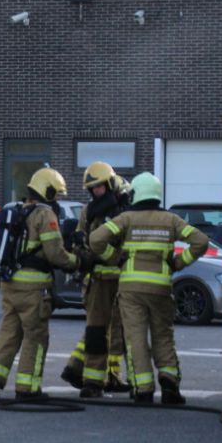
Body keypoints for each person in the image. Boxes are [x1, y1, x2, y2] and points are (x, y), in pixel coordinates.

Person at [89, 172, 209, 405]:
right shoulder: (171, 220)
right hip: (161, 288)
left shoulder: (125, 219)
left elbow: (95, 240)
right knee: (163, 336)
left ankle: (143, 389)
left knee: (136, 338)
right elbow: (201, 242)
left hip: (131, 290)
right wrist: (178, 262)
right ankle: (170, 385)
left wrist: (115, 258)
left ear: (136, 193)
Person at [0, 166, 78, 401]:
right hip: (34, 290)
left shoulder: (17, 210)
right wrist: (76, 261)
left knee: (8, 333)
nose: (57, 199)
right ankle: (28, 388)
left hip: (10, 285)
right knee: (35, 337)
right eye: (56, 193)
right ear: (48, 190)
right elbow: (55, 254)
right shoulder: (45, 215)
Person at [61, 162, 131, 397]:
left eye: (99, 187)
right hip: (98, 280)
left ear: (109, 184)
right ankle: (92, 383)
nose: (96, 192)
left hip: (121, 280)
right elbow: (81, 242)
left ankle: (105, 375)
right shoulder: (88, 211)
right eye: (92, 189)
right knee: (97, 332)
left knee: (118, 332)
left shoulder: (123, 209)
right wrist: (82, 250)